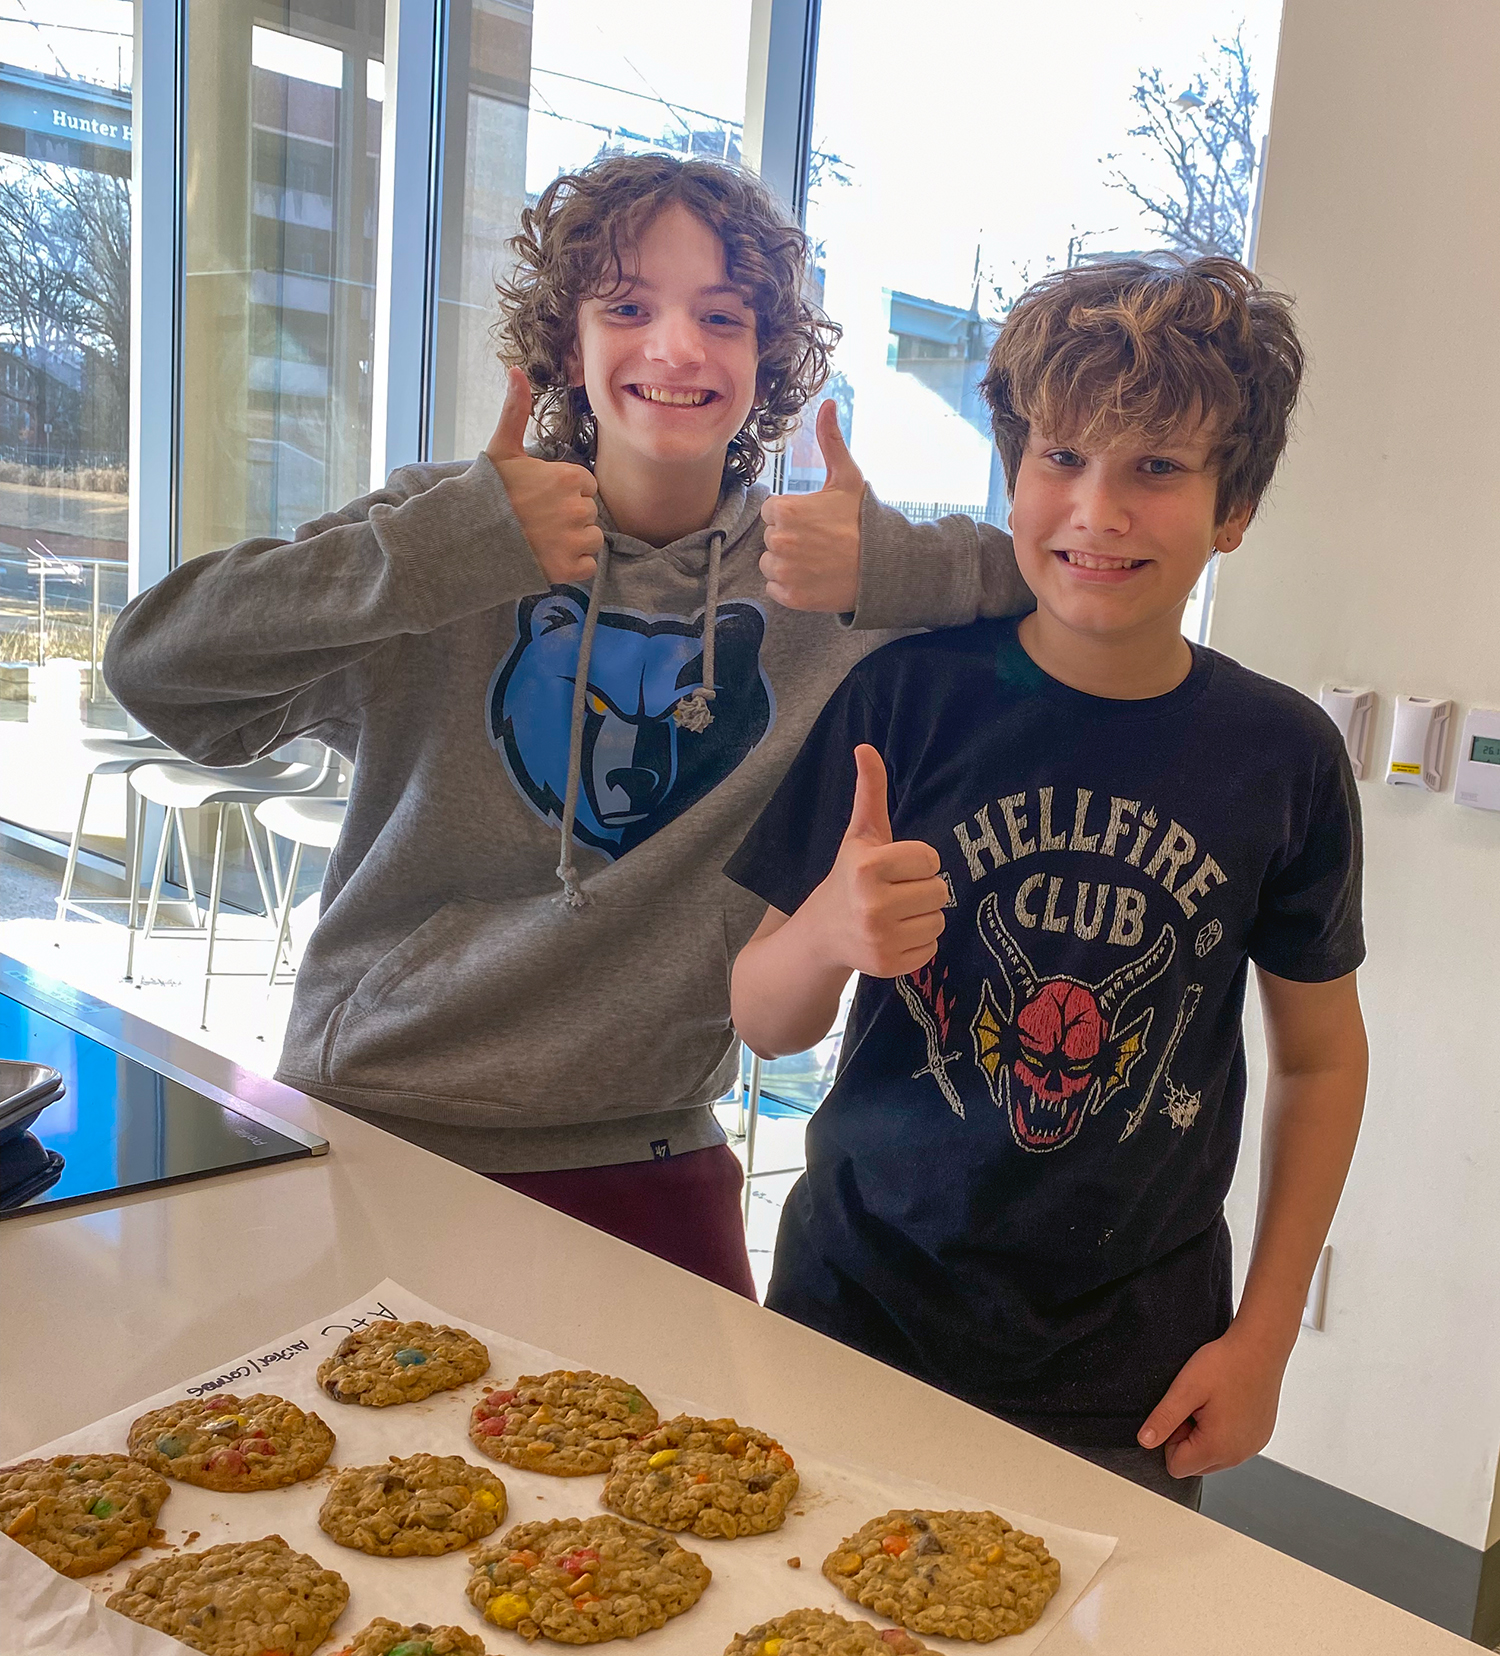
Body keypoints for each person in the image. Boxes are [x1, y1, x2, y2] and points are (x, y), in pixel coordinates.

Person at [102, 153, 1031, 1298]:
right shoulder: (453, 533)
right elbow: (156, 670)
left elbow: (1069, 581)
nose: (676, 348)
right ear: (566, 343)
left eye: (722, 317)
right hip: (377, 1124)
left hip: (654, 1148)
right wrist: (444, 548)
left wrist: (895, 563)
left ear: (768, 356)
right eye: (628, 308)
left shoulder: (822, 584)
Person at [726, 255, 1368, 1504]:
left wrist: (1266, 1337)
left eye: (1157, 468)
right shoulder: (902, 700)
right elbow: (763, 1017)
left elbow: (1323, 1061)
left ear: (1233, 508)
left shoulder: (1283, 756)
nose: (1098, 509)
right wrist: (824, 935)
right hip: (848, 1322)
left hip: (1128, 1378)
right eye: (1063, 457)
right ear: (1016, 471)